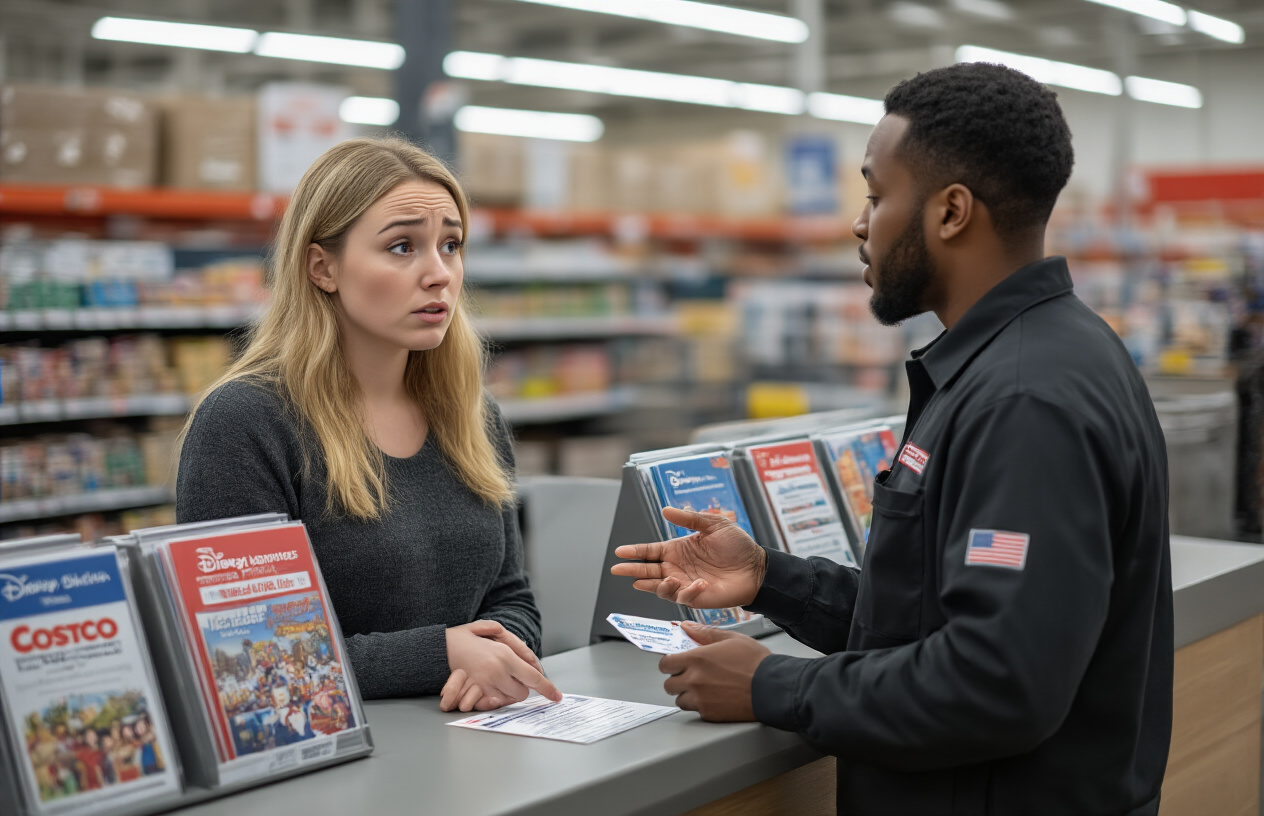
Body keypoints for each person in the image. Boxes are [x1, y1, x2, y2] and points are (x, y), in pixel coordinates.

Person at [613, 62, 1172, 815]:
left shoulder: (1022, 400)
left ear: (950, 213)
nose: (860, 222)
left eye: (877, 195)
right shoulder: (1027, 359)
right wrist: (771, 578)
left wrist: (771, 683)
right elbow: (936, 621)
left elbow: (998, 684)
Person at [177, 137, 562, 713]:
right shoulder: (246, 424)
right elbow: (244, 652)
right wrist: (444, 654)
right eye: (403, 246)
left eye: (451, 245)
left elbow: (512, 596)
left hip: (471, 743)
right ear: (322, 267)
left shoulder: (472, 415)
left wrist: (496, 660)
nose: (439, 274)